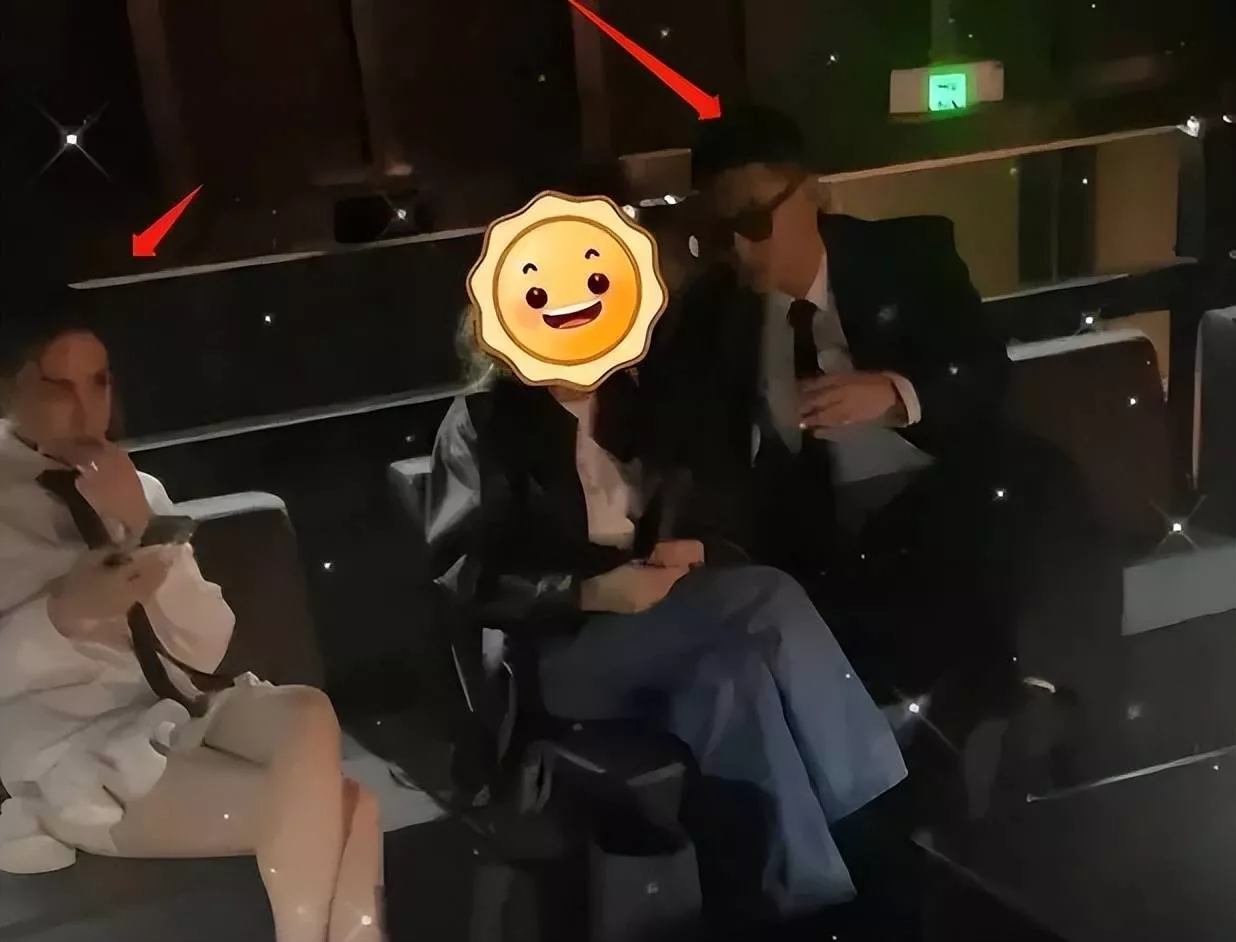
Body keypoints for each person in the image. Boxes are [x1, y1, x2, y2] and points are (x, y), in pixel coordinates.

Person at [423, 307, 908, 924]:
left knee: (734, 680)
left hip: (661, 623)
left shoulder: (638, 400)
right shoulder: (481, 423)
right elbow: (462, 577)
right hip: (556, 652)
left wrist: (696, 549)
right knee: (770, 598)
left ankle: (808, 895)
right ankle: (873, 805)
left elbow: (716, 507)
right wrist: (589, 592)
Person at [644, 103, 1024, 750]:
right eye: (721, 231)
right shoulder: (712, 311)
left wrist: (894, 392)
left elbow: (984, 371)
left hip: (927, 497)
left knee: (1034, 484)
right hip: (809, 536)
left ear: (814, 194)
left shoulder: (905, 255)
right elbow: (676, 435)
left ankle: (1029, 711)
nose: (740, 249)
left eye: (754, 222)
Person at [0, 310, 384, 942]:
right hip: (77, 756)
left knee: (308, 710)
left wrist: (142, 525)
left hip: (178, 714)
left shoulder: (137, 488)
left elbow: (207, 644)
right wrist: (64, 613)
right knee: (346, 809)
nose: (87, 410)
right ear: (8, 387)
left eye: (99, 382)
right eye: (57, 387)